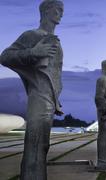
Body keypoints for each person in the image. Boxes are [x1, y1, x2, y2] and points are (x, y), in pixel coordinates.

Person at [0, 1, 64, 179]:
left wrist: (56, 100)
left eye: (62, 10)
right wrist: (34, 52)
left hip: (50, 101)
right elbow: (5, 56)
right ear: (45, 11)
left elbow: (54, 75)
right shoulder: (32, 35)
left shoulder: (58, 44)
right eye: (57, 9)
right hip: (38, 98)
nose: (61, 13)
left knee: (42, 146)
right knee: (34, 146)